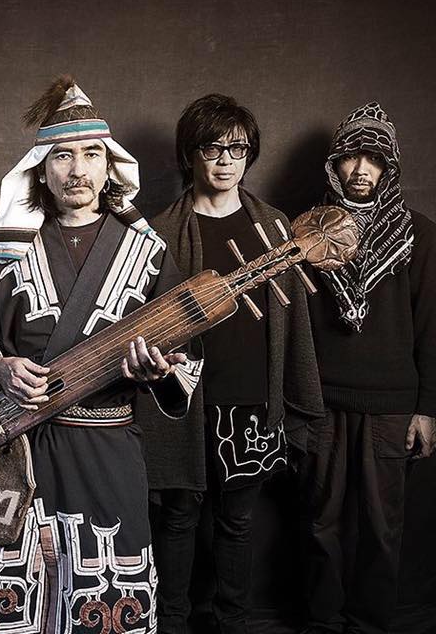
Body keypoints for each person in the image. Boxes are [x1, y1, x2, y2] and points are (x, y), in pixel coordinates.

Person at [0, 77, 202, 634]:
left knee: (104, 599)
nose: (77, 169)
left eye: (91, 155)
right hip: (19, 445)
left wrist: (158, 370)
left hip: (108, 447)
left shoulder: (149, 251)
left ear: (110, 168)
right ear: (41, 169)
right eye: (63, 155)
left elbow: (186, 355)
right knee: (5, 600)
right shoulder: (6, 247)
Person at [136, 94, 323, 633]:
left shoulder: (275, 227)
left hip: (251, 400)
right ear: (189, 154)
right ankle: (170, 622)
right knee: (178, 517)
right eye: (212, 148)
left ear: (250, 154)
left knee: (237, 522)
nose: (225, 160)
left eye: (237, 148)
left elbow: (294, 326)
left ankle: (232, 622)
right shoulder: (158, 232)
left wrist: (286, 397)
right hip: (182, 404)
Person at [300, 103, 436, 634]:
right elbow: (295, 326)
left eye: (375, 159)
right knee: (320, 521)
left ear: (390, 168)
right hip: (322, 400)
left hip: (392, 405)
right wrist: (294, 402)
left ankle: (371, 625)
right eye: (352, 157)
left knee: (382, 527)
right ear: (334, 164)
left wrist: (428, 409)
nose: (362, 170)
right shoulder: (307, 231)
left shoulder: (419, 235)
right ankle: (322, 621)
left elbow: (432, 327)